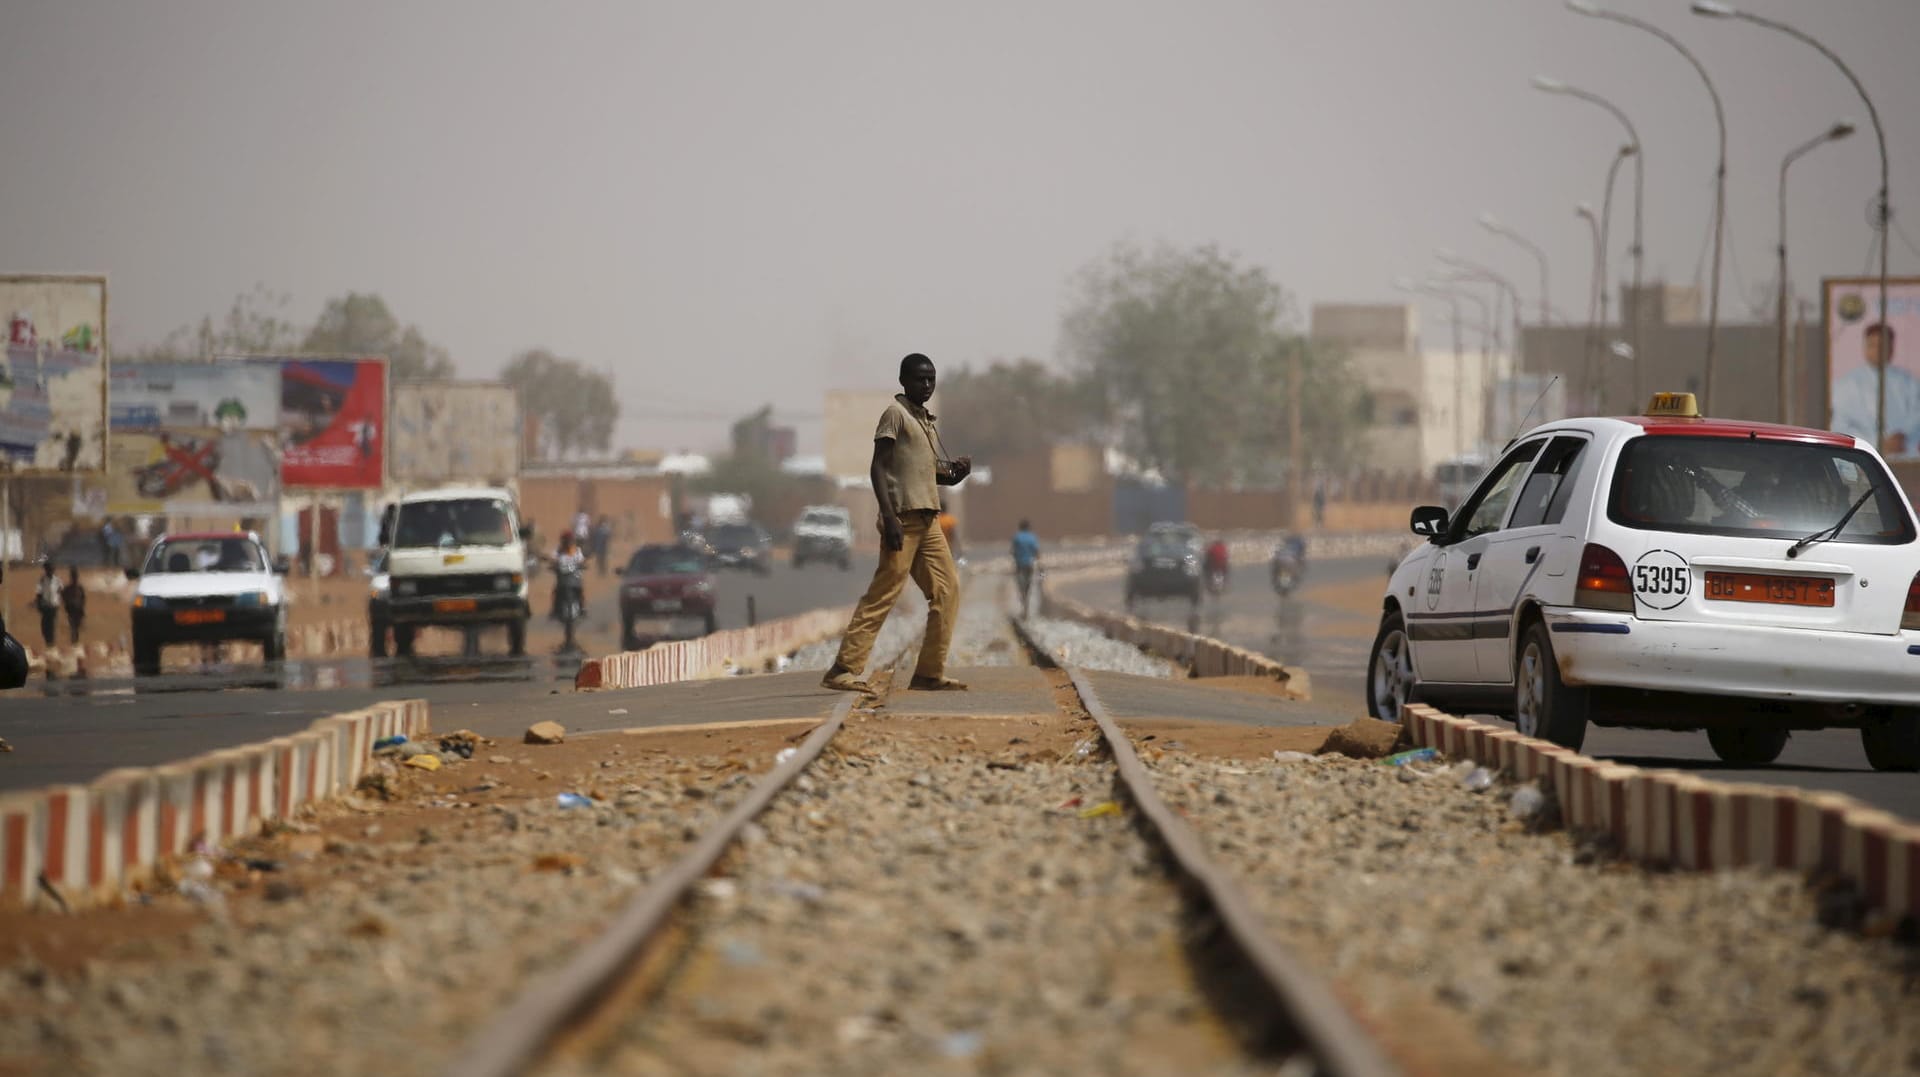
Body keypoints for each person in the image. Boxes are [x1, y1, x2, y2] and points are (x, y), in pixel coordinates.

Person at [820, 353, 972, 694]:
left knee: (948, 591)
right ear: (904, 381)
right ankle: (843, 668)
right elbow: (879, 467)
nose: (927, 385)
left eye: (931, 379)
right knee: (885, 592)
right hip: (902, 520)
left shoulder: (925, 421)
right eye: (920, 379)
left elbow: (928, 475)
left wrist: (955, 475)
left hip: (929, 520)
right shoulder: (896, 415)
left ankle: (929, 673)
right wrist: (888, 516)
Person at [1831, 322, 1920, 456]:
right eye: (1873, 345)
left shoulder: (1909, 382)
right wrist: (1875, 443)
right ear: (1865, 348)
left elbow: (1916, 415)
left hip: (1904, 454)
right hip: (1864, 456)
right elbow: (1840, 424)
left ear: (1891, 348)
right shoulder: (1846, 384)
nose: (1878, 350)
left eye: (1883, 346)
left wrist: (1902, 436)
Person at [1010, 519, 1040, 616]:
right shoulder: (1032, 537)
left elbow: (1012, 551)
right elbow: (1036, 551)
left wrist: (1016, 556)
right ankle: (1026, 600)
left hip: (1019, 564)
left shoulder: (1017, 537)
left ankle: (1023, 601)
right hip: (1029, 564)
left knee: (1020, 583)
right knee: (1028, 583)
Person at [33, 562, 61, 650]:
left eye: (51, 569)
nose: (50, 571)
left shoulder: (57, 580)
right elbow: (39, 593)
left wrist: (58, 600)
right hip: (45, 607)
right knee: (44, 626)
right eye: (48, 569)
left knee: (51, 626)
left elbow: (61, 590)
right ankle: (48, 641)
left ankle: (51, 644)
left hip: (53, 607)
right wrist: (38, 603)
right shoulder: (42, 580)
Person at [61, 566, 86, 646]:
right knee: (73, 627)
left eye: (75, 576)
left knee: (77, 627)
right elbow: (63, 597)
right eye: (73, 576)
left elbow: (83, 599)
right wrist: (66, 605)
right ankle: (74, 642)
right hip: (71, 610)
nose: (75, 578)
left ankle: (75, 641)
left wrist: (82, 609)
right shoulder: (68, 588)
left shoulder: (80, 588)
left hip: (78, 611)